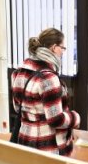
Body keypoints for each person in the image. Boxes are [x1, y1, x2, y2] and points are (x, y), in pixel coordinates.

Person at [10, 27, 81, 156]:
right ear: (54, 48)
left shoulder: (18, 72)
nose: (63, 52)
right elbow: (56, 120)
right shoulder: (48, 77)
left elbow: (17, 107)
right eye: (62, 48)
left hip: (25, 140)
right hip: (47, 146)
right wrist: (75, 118)